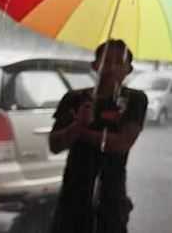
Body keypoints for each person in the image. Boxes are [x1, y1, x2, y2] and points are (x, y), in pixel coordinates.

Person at [48, 39, 148, 233]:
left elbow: (122, 143)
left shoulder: (135, 100)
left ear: (129, 69)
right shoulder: (74, 99)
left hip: (111, 194)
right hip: (73, 194)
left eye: (119, 62)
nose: (111, 67)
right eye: (106, 61)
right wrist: (76, 125)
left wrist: (81, 130)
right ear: (95, 65)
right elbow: (54, 144)